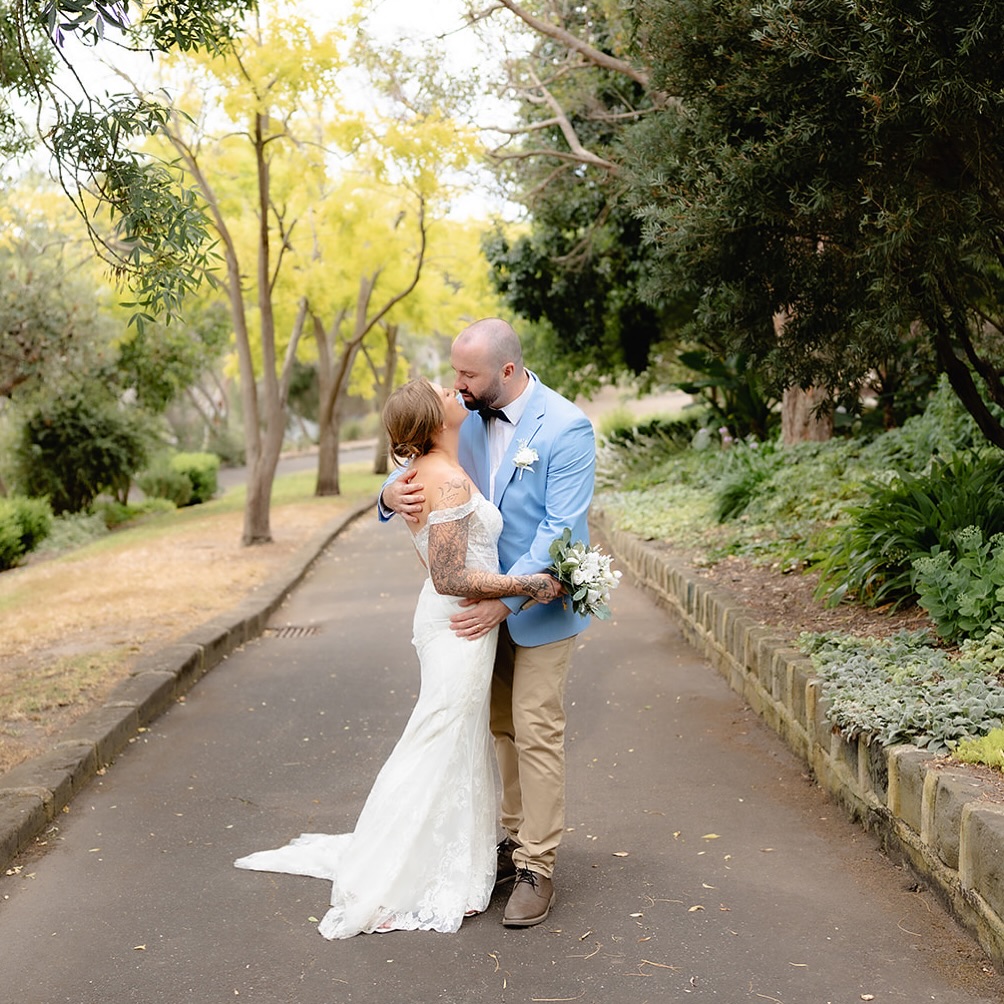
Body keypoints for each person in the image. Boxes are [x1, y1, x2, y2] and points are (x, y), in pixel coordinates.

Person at [234, 378, 561, 939]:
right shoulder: (447, 480)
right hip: (458, 622)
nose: (454, 390)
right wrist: (527, 583)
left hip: (451, 621)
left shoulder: (420, 474)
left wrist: (389, 494)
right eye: (444, 391)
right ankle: (396, 864)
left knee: (455, 737)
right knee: (437, 736)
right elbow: (450, 575)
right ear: (435, 422)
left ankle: (449, 851)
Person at [380, 317, 596, 928]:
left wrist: (506, 601)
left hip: (539, 606)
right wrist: (390, 494)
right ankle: (509, 839)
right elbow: (413, 457)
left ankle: (538, 865)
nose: (457, 385)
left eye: (466, 375)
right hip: (473, 612)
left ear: (506, 370)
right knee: (500, 727)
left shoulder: (566, 427)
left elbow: (560, 530)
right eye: (454, 373)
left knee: (535, 727)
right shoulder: (462, 415)